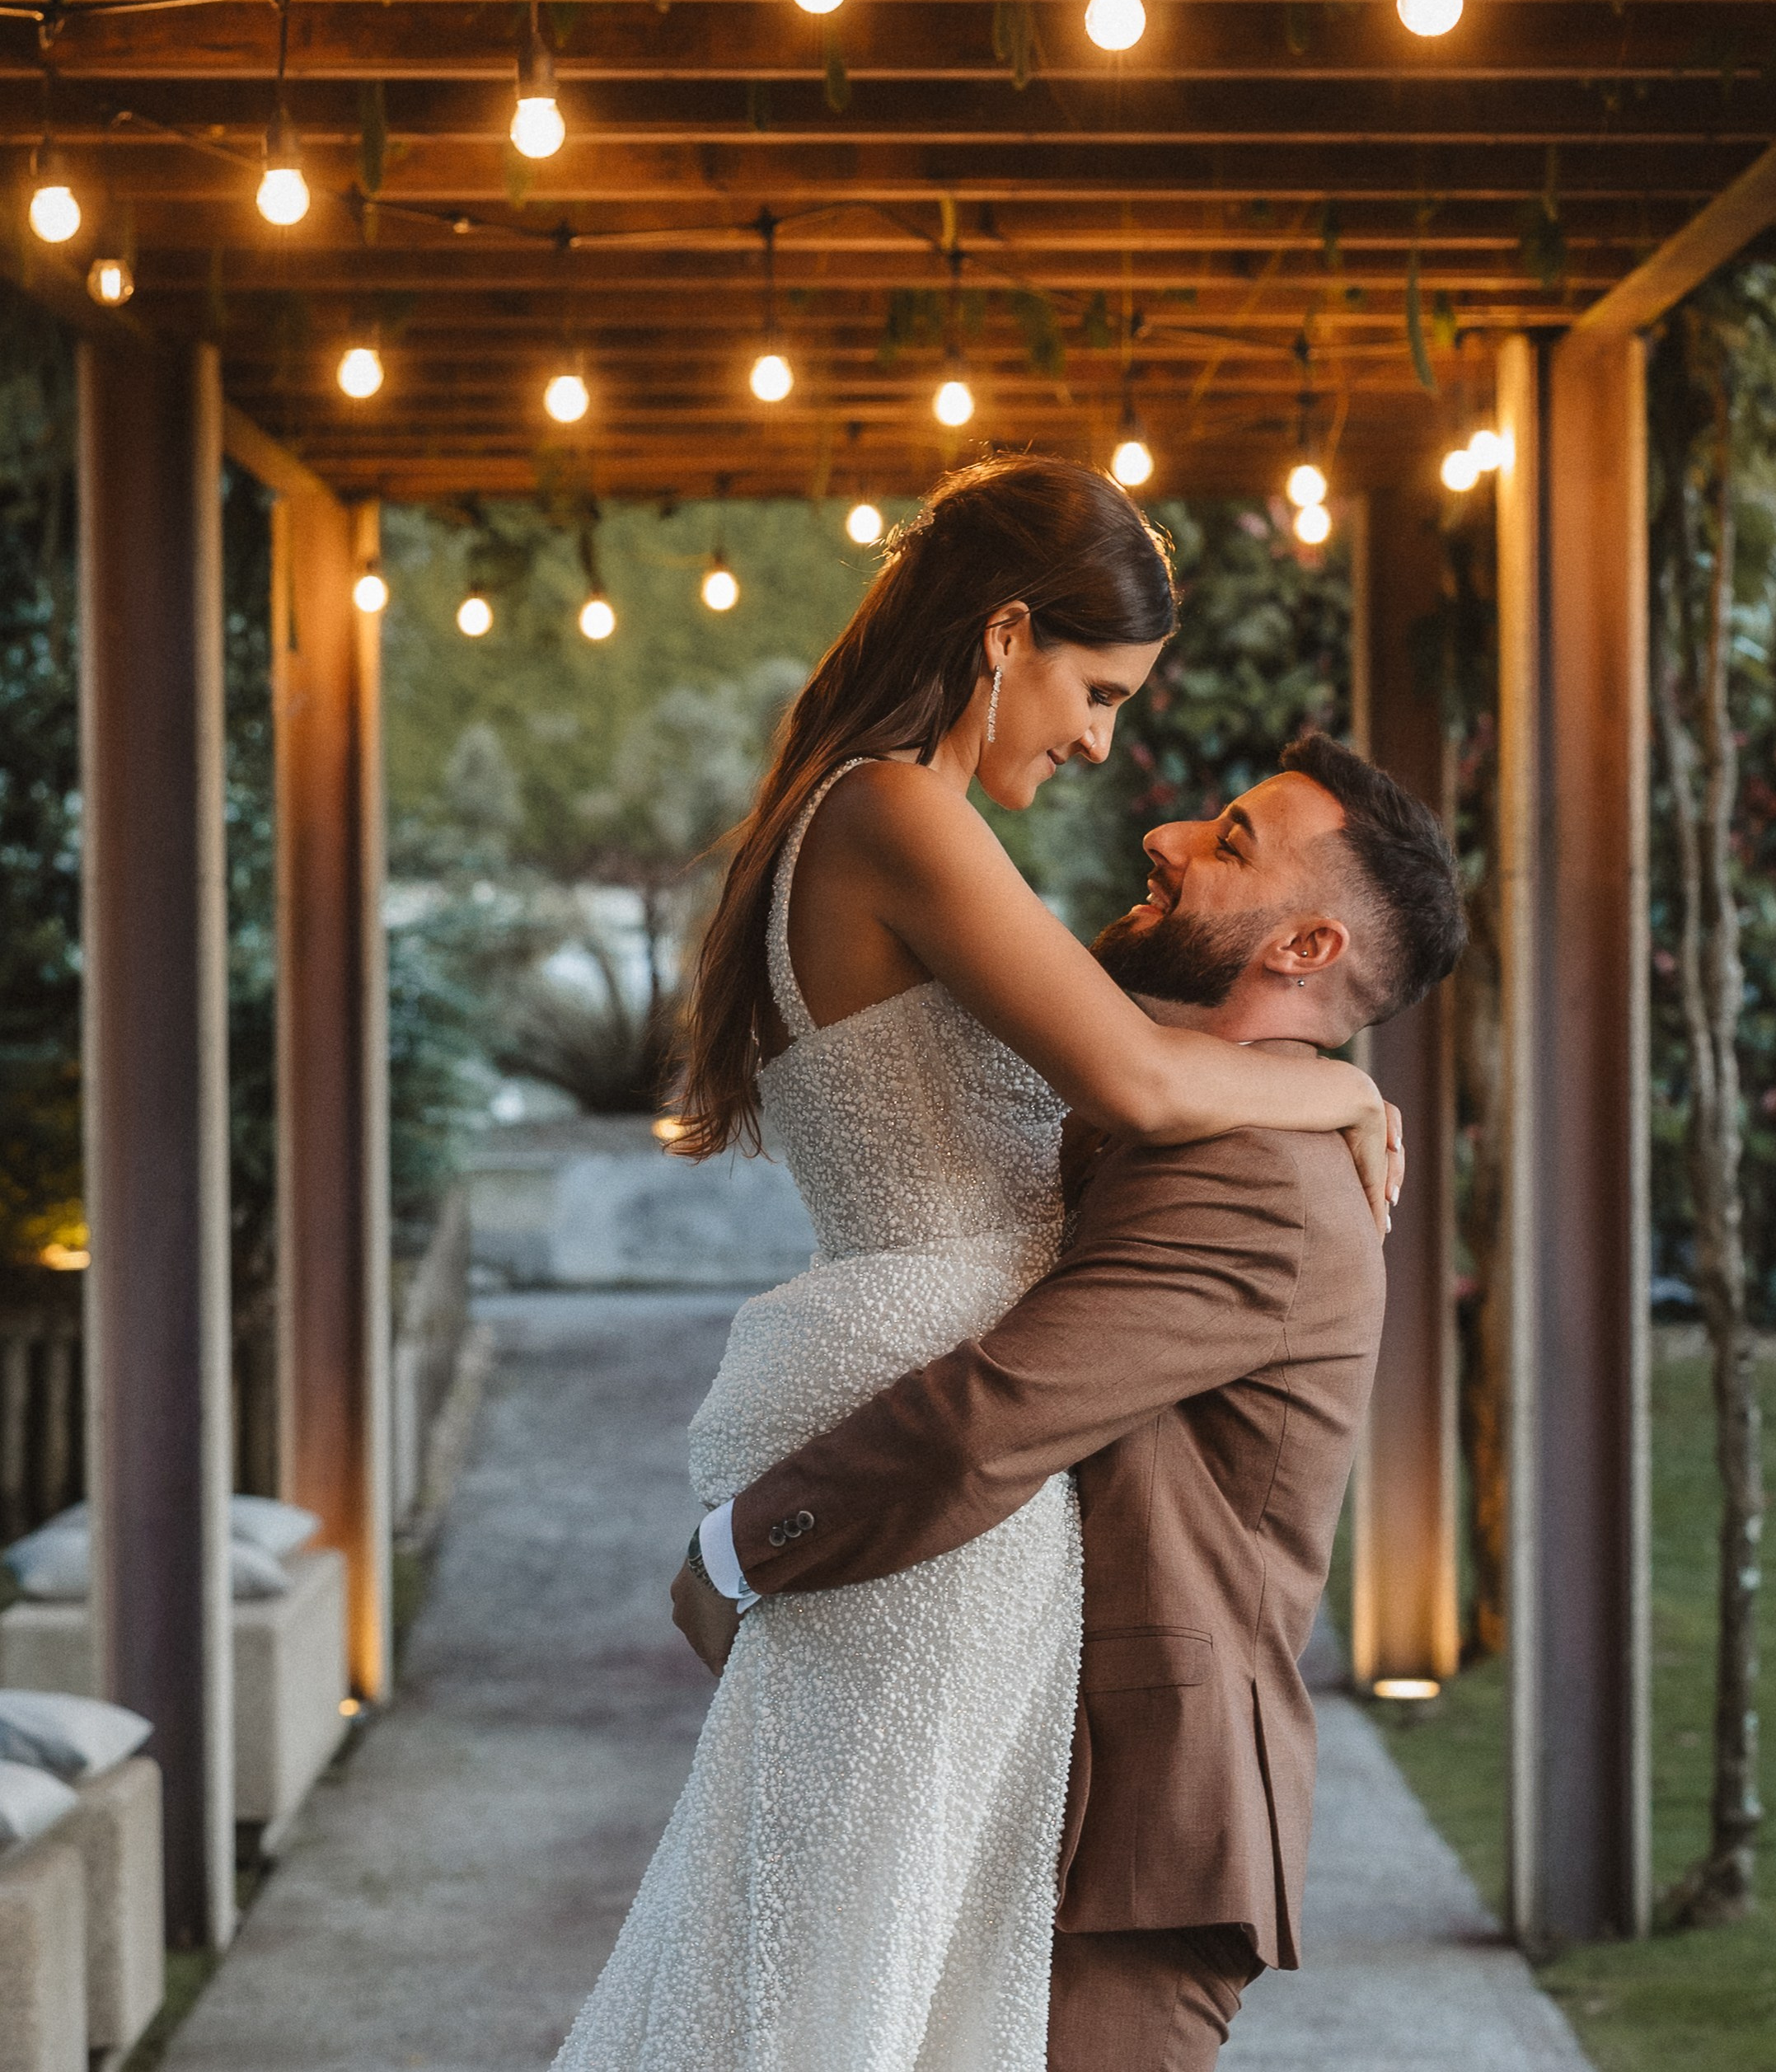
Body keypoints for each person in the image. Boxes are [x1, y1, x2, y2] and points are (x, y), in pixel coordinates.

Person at [548, 457, 1397, 2072]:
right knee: (868, 1958)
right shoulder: (895, 813)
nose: (1099, 742)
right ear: (1003, 633)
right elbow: (1138, 1080)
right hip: (942, 1434)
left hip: (887, 1363)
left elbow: (1120, 1035)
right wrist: (1341, 1081)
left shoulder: (871, 820)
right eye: (1093, 690)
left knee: (868, 1929)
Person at [675, 729, 1465, 2071]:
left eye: (1229, 844)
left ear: (1306, 950)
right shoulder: (1224, 1120)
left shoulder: (1256, 1184)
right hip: (1054, 1784)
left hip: (1134, 1831)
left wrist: (735, 1552)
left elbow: (995, 1414)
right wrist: (1341, 1079)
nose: (1162, 838)